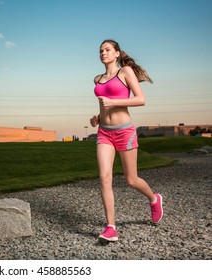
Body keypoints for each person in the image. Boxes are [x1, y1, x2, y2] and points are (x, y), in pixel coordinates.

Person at [90, 39, 163, 242]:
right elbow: (103, 105)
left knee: (131, 180)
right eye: (100, 50)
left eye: (107, 50)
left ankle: (154, 198)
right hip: (104, 132)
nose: (103, 53)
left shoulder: (126, 72)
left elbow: (141, 99)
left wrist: (114, 102)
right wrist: (97, 118)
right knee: (105, 177)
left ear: (116, 53)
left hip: (124, 131)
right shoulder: (98, 79)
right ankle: (111, 227)